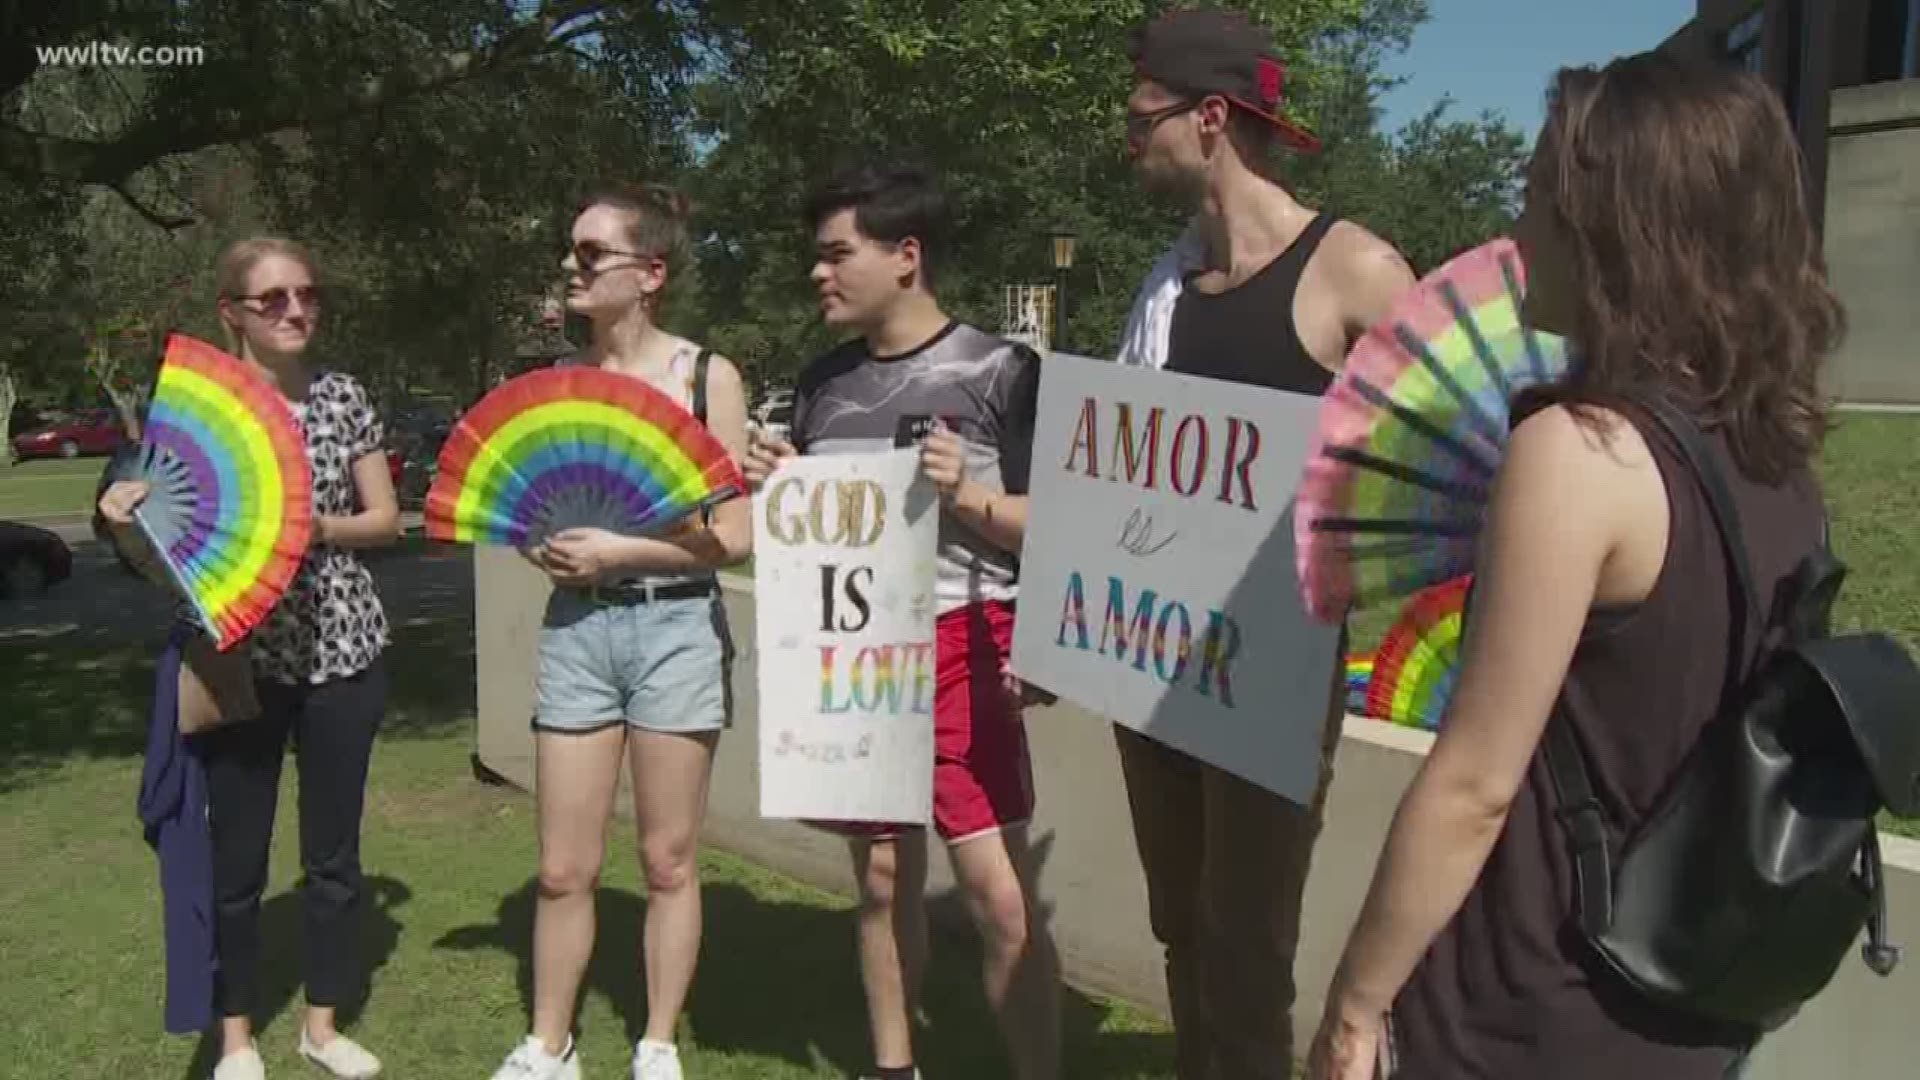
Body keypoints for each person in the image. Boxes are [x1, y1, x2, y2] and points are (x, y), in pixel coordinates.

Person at [1305, 53, 1842, 1080]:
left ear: (1618, 232)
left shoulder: (1579, 456)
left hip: (1531, 1006)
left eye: (1538, 195)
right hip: (1689, 999)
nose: (1516, 235)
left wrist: (1355, 1006)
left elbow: (1474, 783)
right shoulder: (1779, 458)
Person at [1110, 9, 1415, 1078]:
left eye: (1140, 114)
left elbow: (1439, 474)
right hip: (1150, 666)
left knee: (1245, 949)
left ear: (1208, 119)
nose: (1126, 135)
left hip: (1272, 675)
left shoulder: (1357, 274)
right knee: (1182, 928)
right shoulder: (1168, 290)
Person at [743, 160, 1061, 1080]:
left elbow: (1059, 523)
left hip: (969, 641)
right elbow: (813, 534)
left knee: (1000, 902)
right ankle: (894, 1067)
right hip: (858, 659)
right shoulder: (819, 384)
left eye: (837, 254)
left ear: (906, 256)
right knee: (884, 881)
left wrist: (968, 497)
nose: (817, 273)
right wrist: (776, 485)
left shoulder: (1005, 370)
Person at [98, 237, 402, 1080]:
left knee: (334, 861)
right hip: (238, 666)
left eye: (308, 294)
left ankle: (321, 1025)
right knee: (238, 862)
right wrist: (127, 522)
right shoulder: (187, 414)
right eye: (273, 300)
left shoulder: (344, 397)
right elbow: (166, 557)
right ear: (231, 314)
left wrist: (312, 528)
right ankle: (236, 1036)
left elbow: (387, 520)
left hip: (346, 654)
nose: (298, 311)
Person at [487, 183, 752, 1080]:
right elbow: (526, 520)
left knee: (669, 859)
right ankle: (548, 1045)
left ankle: (656, 1044)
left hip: (675, 631)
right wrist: (554, 554)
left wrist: (623, 549)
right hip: (579, 632)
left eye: (591, 254)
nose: (572, 267)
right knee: (563, 866)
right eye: (572, 251)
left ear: (651, 273)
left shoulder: (705, 375)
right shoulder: (556, 387)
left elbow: (734, 538)